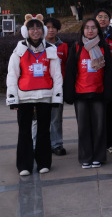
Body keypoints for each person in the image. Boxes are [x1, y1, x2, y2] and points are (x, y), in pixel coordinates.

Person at [6, 14, 63, 176]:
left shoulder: (50, 49)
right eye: (32, 28)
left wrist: (57, 97)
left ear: (43, 30)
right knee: (24, 132)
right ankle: (24, 165)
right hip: (24, 97)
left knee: (44, 131)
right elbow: (12, 75)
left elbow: (57, 75)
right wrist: (12, 98)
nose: (35, 31)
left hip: (45, 95)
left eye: (38, 27)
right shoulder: (19, 50)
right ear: (26, 31)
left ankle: (44, 162)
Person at [63, 18, 112, 168]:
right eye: (87, 28)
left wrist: (108, 91)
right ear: (82, 30)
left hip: (99, 92)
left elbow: (108, 71)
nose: (90, 30)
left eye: (93, 27)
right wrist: (69, 93)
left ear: (98, 30)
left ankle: (98, 156)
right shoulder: (77, 46)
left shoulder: (104, 46)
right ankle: (86, 157)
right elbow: (70, 70)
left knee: (99, 127)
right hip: (81, 93)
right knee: (83, 128)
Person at [95, 8, 112, 153]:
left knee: (110, 111)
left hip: (110, 77)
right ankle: (97, 143)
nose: (103, 19)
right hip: (93, 78)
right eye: (100, 17)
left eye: (105, 17)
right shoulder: (89, 35)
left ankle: (111, 142)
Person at [43, 17, 69, 156]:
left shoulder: (63, 47)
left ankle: (57, 144)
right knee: (41, 118)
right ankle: (41, 144)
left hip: (58, 88)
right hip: (41, 87)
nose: (51, 30)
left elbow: (67, 66)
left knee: (56, 118)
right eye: (48, 27)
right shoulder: (39, 46)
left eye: (53, 27)